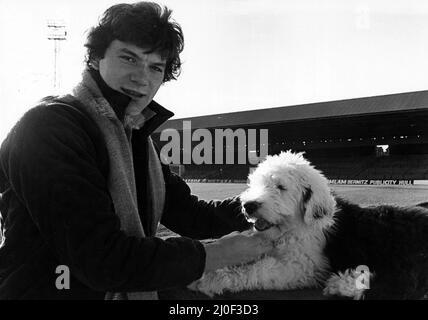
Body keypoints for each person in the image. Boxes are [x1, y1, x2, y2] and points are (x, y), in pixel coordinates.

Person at [0, 2, 280, 299]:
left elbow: (192, 214)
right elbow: (101, 259)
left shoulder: (135, 135)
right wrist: (218, 253)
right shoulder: (50, 127)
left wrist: (274, 202)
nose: (142, 78)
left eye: (156, 67)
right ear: (96, 57)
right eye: (129, 58)